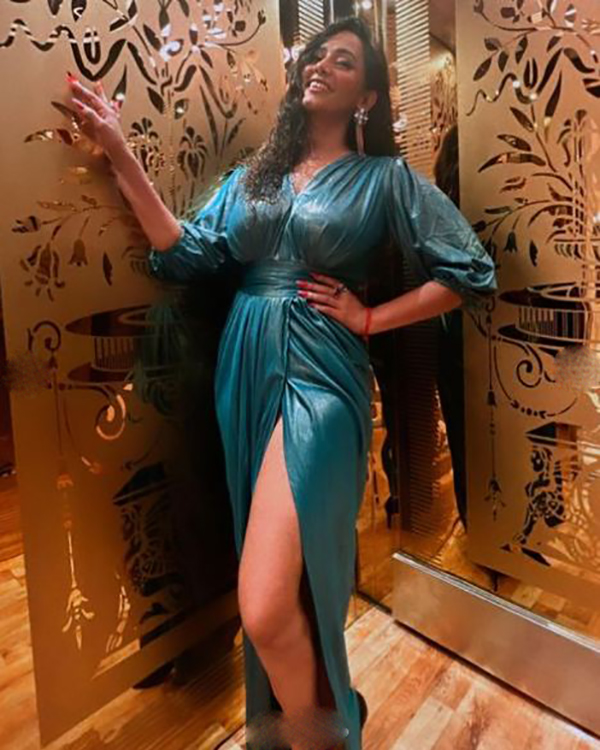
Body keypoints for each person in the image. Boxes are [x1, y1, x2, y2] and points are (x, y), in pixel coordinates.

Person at [66, 16, 496, 750]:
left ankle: (321, 737)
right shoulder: (254, 178)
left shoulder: (384, 180)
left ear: (367, 97)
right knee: (279, 587)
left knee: (263, 606)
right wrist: (119, 152)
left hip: (323, 377)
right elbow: (184, 250)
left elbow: (470, 273)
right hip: (245, 369)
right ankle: (324, 719)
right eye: (316, 55)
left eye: (344, 62)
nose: (320, 65)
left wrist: (370, 318)